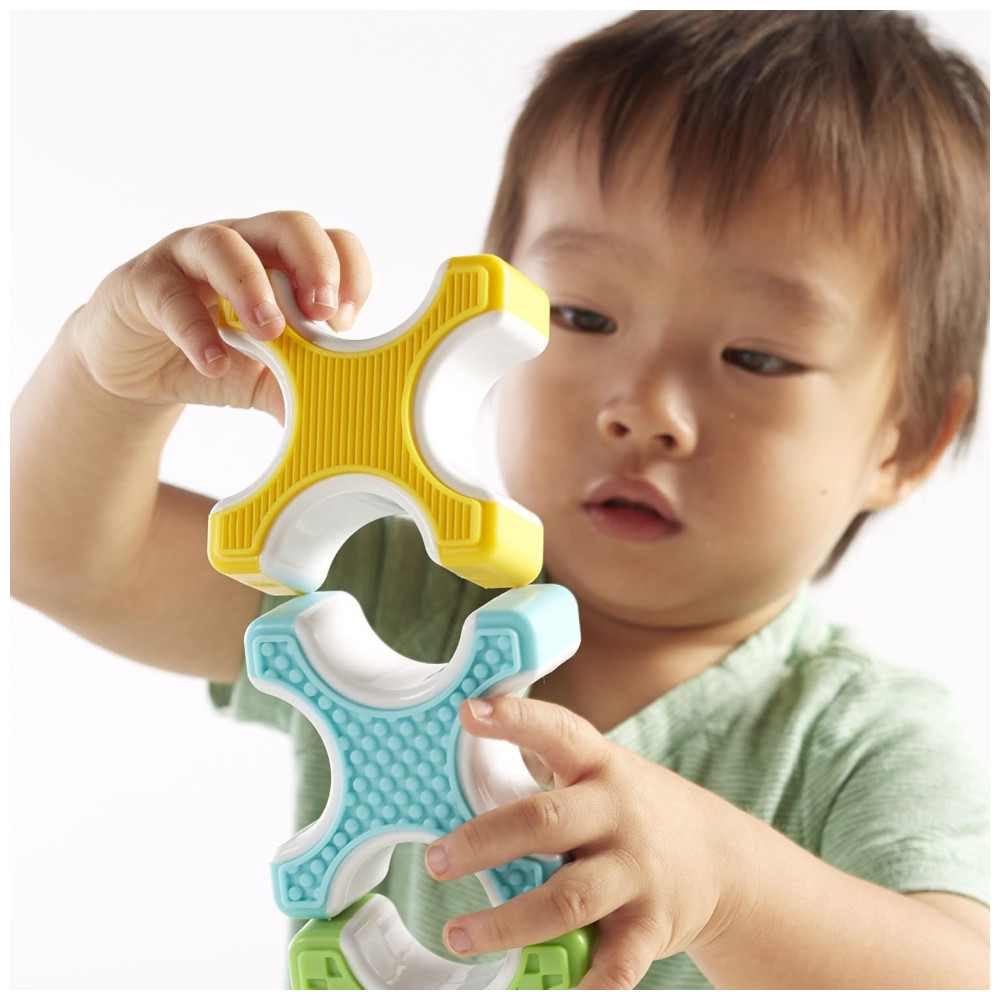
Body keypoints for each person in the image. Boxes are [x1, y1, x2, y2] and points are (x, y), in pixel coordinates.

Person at [10, 10, 988, 989]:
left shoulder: (862, 736)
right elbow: (53, 556)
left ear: (905, 440)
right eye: (582, 314)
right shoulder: (381, 591)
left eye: (756, 357)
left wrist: (727, 886)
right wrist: (105, 373)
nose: (642, 409)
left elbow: (958, 973)